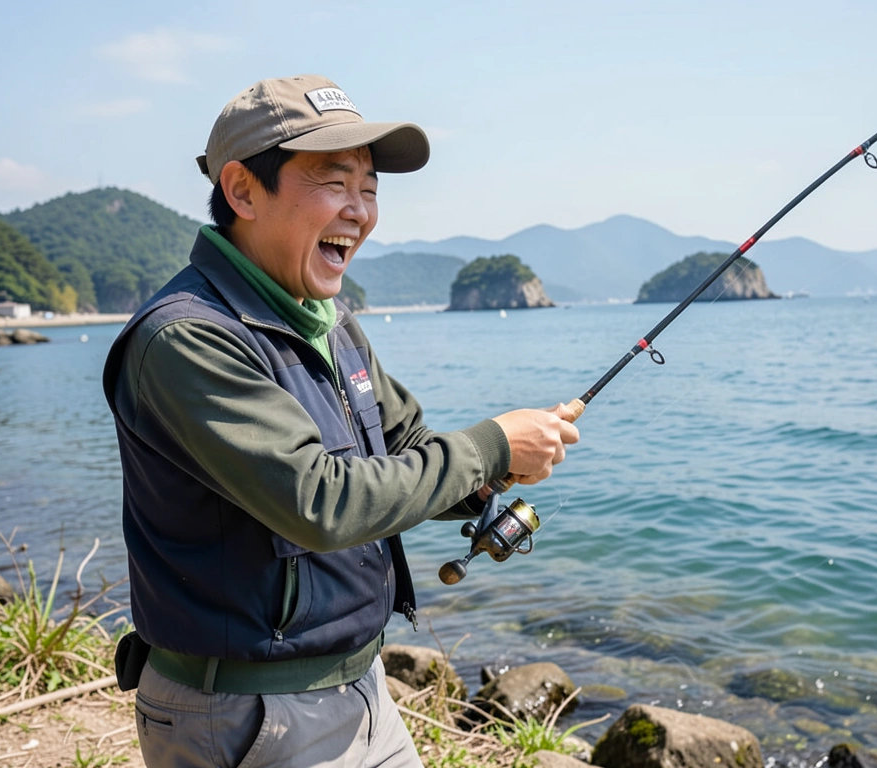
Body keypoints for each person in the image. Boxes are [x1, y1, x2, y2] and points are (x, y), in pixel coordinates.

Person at [102, 74, 579, 768]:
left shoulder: (330, 320)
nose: (359, 210)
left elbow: (405, 447)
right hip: (247, 714)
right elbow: (322, 501)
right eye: (334, 183)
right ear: (242, 191)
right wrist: (491, 446)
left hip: (361, 686)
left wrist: (492, 471)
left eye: (370, 188)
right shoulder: (187, 339)